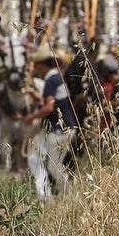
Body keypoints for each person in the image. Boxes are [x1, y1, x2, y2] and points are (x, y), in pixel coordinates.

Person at [22, 45, 77, 201]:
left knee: (52, 166)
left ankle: (66, 196)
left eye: (36, 64)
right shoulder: (57, 77)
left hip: (59, 130)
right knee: (54, 165)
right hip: (68, 128)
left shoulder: (50, 80)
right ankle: (64, 196)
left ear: (41, 64)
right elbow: (54, 101)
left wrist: (32, 117)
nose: (35, 68)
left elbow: (48, 107)